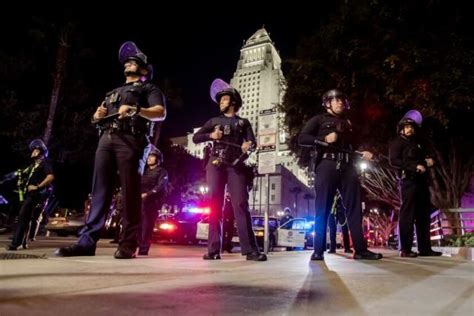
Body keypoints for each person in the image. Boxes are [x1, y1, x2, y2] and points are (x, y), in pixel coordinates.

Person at [55, 41, 166, 259]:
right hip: (107, 139)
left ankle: (128, 243)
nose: (128, 64)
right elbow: (101, 115)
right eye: (127, 62)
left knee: (130, 191)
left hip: (132, 140)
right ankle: (86, 242)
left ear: (143, 69)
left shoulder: (149, 88)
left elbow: (160, 112)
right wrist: (96, 116)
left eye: (133, 62)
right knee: (99, 191)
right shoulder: (113, 92)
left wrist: (136, 110)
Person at [298, 89, 382, 261]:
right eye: (335, 100)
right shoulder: (318, 120)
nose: (339, 103)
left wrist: (364, 152)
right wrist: (322, 140)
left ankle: (360, 249)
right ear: (328, 103)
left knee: (355, 207)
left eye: (342, 101)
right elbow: (302, 138)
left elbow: (355, 146)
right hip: (326, 166)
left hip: (348, 166)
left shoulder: (349, 123)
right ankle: (318, 250)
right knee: (323, 208)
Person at [192, 79, 266, 261]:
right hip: (216, 163)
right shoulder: (213, 121)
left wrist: (247, 145)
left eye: (224, 100)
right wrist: (211, 135)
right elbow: (196, 138)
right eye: (220, 101)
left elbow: (252, 142)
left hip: (236, 165)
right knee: (214, 205)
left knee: (240, 204)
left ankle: (250, 250)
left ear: (233, 102)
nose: (221, 103)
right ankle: (213, 250)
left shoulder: (244, 123)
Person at [389, 110, 442, 257]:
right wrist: (414, 166)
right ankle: (405, 249)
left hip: (422, 181)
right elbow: (393, 161)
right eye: (406, 127)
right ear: (401, 128)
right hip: (408, 181)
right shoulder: (397, 142)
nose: (409, 129)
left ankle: (425, 248)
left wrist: (430, 160)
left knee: (423, 215)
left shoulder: (419, 143)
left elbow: (427, 156)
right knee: (408, 214)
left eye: (411, 127)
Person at [6, 139, 54, 250]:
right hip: (30, 195)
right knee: (24, 217)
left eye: (35, 150)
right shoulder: (32, 166)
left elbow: (50, 176)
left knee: (25, 217)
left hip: (37, 195)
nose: (32, 152)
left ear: (41, 151)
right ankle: (21, 241)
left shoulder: (45, 163)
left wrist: (38, 187)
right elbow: (20, 173)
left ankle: (15, 243)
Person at [138, 146, 169, 255]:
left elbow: (160, 186)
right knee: (138, 225)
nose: (149, 158)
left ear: (158, 159)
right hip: (141, 201)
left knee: (147, 226)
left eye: (152, 156)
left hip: (152, 203)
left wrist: (148, 194)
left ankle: (143, 248)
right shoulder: (144, 172)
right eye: (149, 156)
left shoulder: (162, 172)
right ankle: (137, 245)